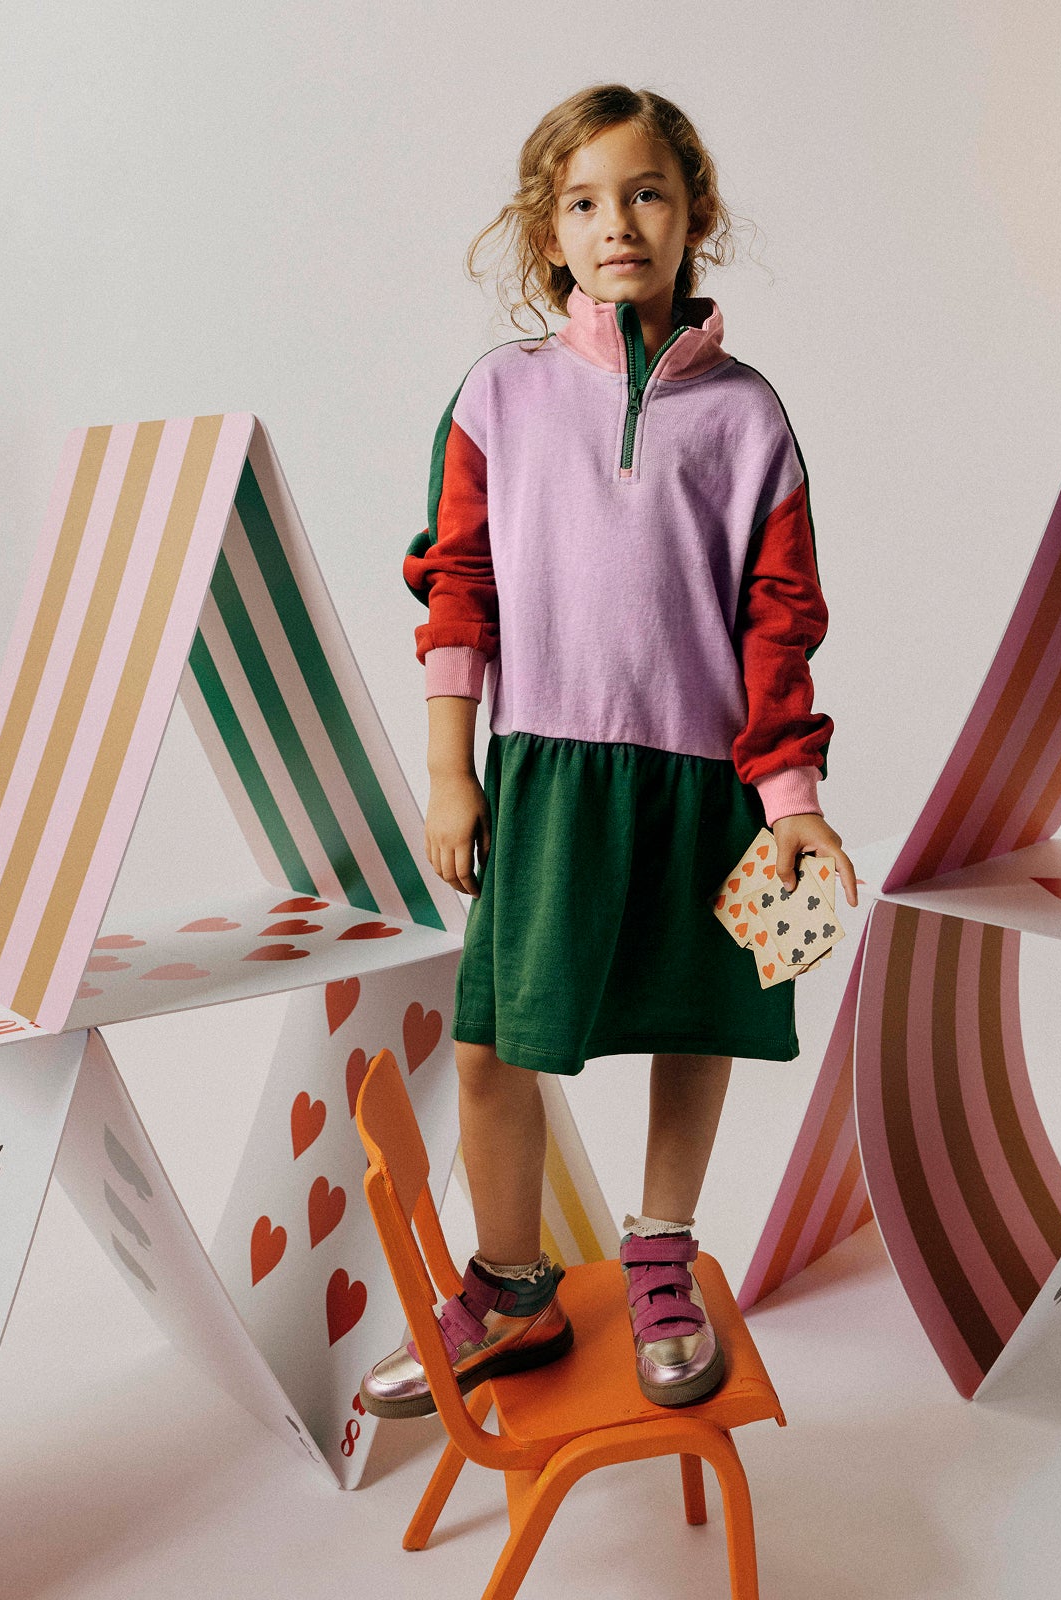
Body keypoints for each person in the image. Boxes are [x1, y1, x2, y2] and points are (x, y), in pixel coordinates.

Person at [360, 82, 858, 1419]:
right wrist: (452, 771)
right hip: (542, 776)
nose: (616, 222)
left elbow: (778, 621)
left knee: (693, 1020)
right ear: (551, 234)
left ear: (694, 215)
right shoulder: (498, 396)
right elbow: (456, 584)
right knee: (492, 1042)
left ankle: (659, 1255)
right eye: (583, 202)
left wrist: (793, 798)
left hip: (708, 783)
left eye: (645, 193)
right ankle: (513, 1286)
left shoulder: (751, 416)